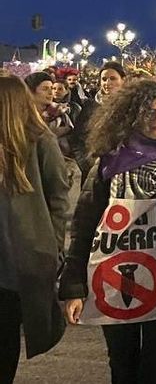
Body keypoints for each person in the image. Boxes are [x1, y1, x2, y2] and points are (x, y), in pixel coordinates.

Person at [60, 78, 156, 384]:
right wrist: (74, 286)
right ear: (132, 115)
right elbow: (85, 225)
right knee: (121, 363)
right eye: (150, 113)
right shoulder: (108, 161)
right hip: (113, 278)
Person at [0, 76, 72, 384]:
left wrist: (54, 247)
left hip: (20, 255)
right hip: (15, 254)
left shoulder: (40, 140)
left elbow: (58, 196)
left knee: (5, 332)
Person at [69, 62, 126, 175]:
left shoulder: (131, 106)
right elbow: (78, 139)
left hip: (122, 169)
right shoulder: (90, 106)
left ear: (123, 80)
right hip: (93, 170)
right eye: (104, 79)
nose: (107, 83)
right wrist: (87, 164)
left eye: (113, 78)